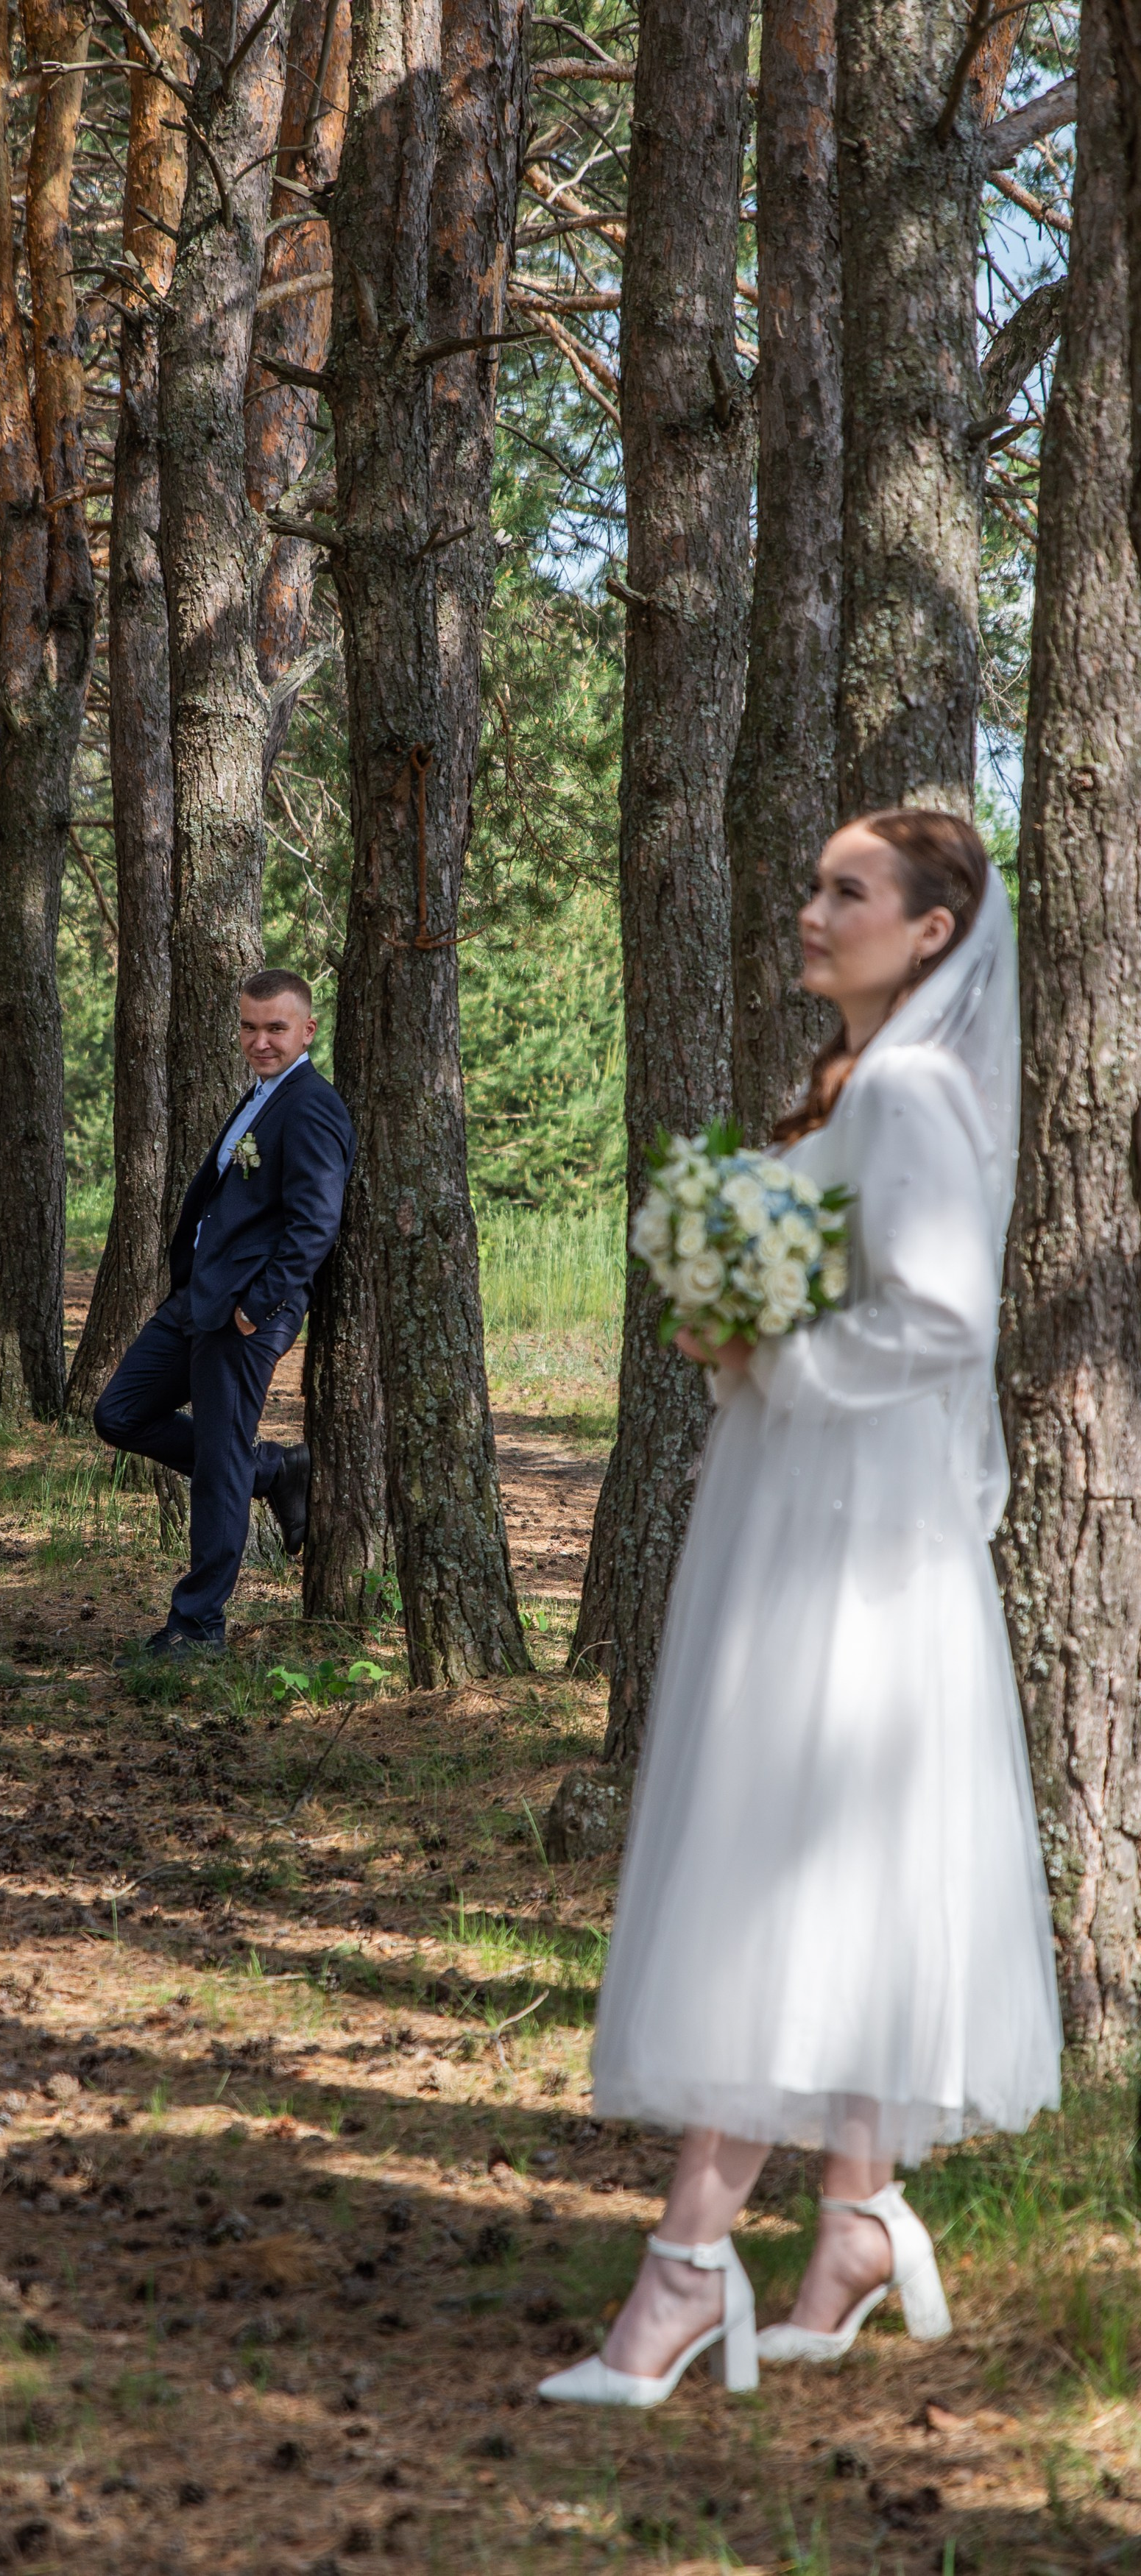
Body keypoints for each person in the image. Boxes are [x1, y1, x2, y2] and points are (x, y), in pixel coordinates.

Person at [540, 809, 1061, 2410]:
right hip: (829, 1508)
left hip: (846, 1527)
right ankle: (849, 2220)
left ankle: (687, 2275)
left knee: (779, 1876)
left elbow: (939, 1322)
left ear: (926, 932)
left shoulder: (904, 1087)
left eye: (847, 889)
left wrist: (770, 1348)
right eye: (809, 877)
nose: (809, 905)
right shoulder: (870, 1081)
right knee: (841, 1875)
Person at [93, 968, 355, 1659]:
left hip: (243, 1312)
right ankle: (270, 1472)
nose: (260, 1040)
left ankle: (199, 1627)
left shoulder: (311, 1106)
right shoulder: (262, 1095)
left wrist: (254, 1309)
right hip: (198, 1301)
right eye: (249, 1026)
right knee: (118, 1414)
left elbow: (315, 1224)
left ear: (307, 1030)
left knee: (216, 1466)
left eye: (276, 1027)